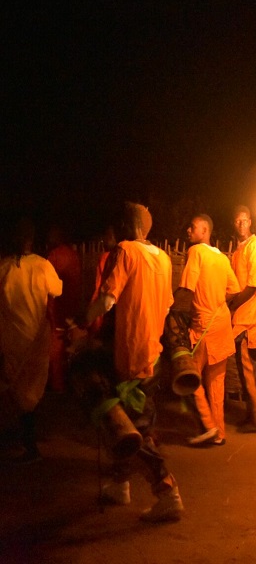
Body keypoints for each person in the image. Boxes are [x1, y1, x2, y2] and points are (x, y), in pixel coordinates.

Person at [84, 202, 183, 522]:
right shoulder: (163, 258)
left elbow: (107, 300)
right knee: (133, 422)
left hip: (129, 356)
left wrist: (81, 322)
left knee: (132, 432)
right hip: (152, 354)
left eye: (119, 224)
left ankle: (168, 492)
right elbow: (166, 306)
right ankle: (121, 484)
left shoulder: (125, 251)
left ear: (128, 226)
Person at [0, 219, 63, 462]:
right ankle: (29, 442)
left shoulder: (4, 267)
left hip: (11, 340)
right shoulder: (42, 265)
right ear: (31, 241)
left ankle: (25, 439)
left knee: (14, 388)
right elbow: (57, 290)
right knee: (31, 392)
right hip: (35, 339)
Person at [180, 214, 239, 446]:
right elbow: (234, 289)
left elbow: (186, 288)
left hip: (203, 325)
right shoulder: (222, 258)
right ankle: (219, 433)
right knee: (216, 382)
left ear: (205, 231)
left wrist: (169, 308)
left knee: (190, 376)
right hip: (221, 323)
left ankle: (208, 425)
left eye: (192, 227)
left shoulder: (196, 252)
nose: (188, 230)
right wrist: (217, 301)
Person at [228, 206, 256, 434]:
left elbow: (253, 285)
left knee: (248, 368)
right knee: (248, 369)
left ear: (251, 222)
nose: (241, 224)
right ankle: (253, 413)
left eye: (244, 220)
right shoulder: (239, 250)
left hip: (250, 317)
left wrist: (233, 304)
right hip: (243, 316)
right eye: (237, 221)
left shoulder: (255, 246)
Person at [45, 225, 81, 392]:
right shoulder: (73, 255)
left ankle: (58, 386)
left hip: (57, 310)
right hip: (71, 308)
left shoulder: (54, 256)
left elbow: (48, 286)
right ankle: (69, 383)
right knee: (68, 349)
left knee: (56, 351)